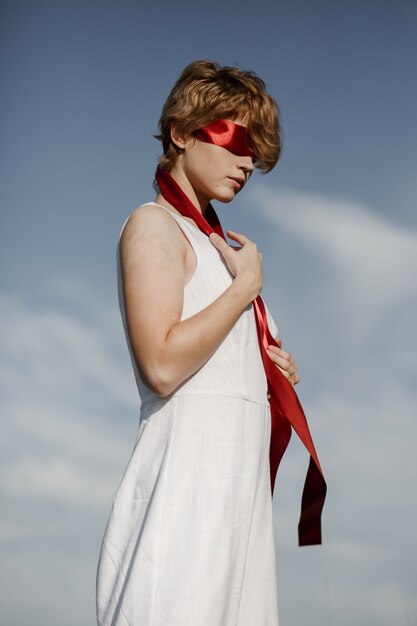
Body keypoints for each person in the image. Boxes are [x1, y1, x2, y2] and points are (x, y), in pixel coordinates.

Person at [96, 59, 301, 626]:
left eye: (256, 152)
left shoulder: (220, 248)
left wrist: (268, 369)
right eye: (237, 139)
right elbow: (161, 364)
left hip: (238, 495)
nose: (248, 162)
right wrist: (247, 289)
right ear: (183, 132)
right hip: (188, 485)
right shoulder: (154, 225)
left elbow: (213, 356)